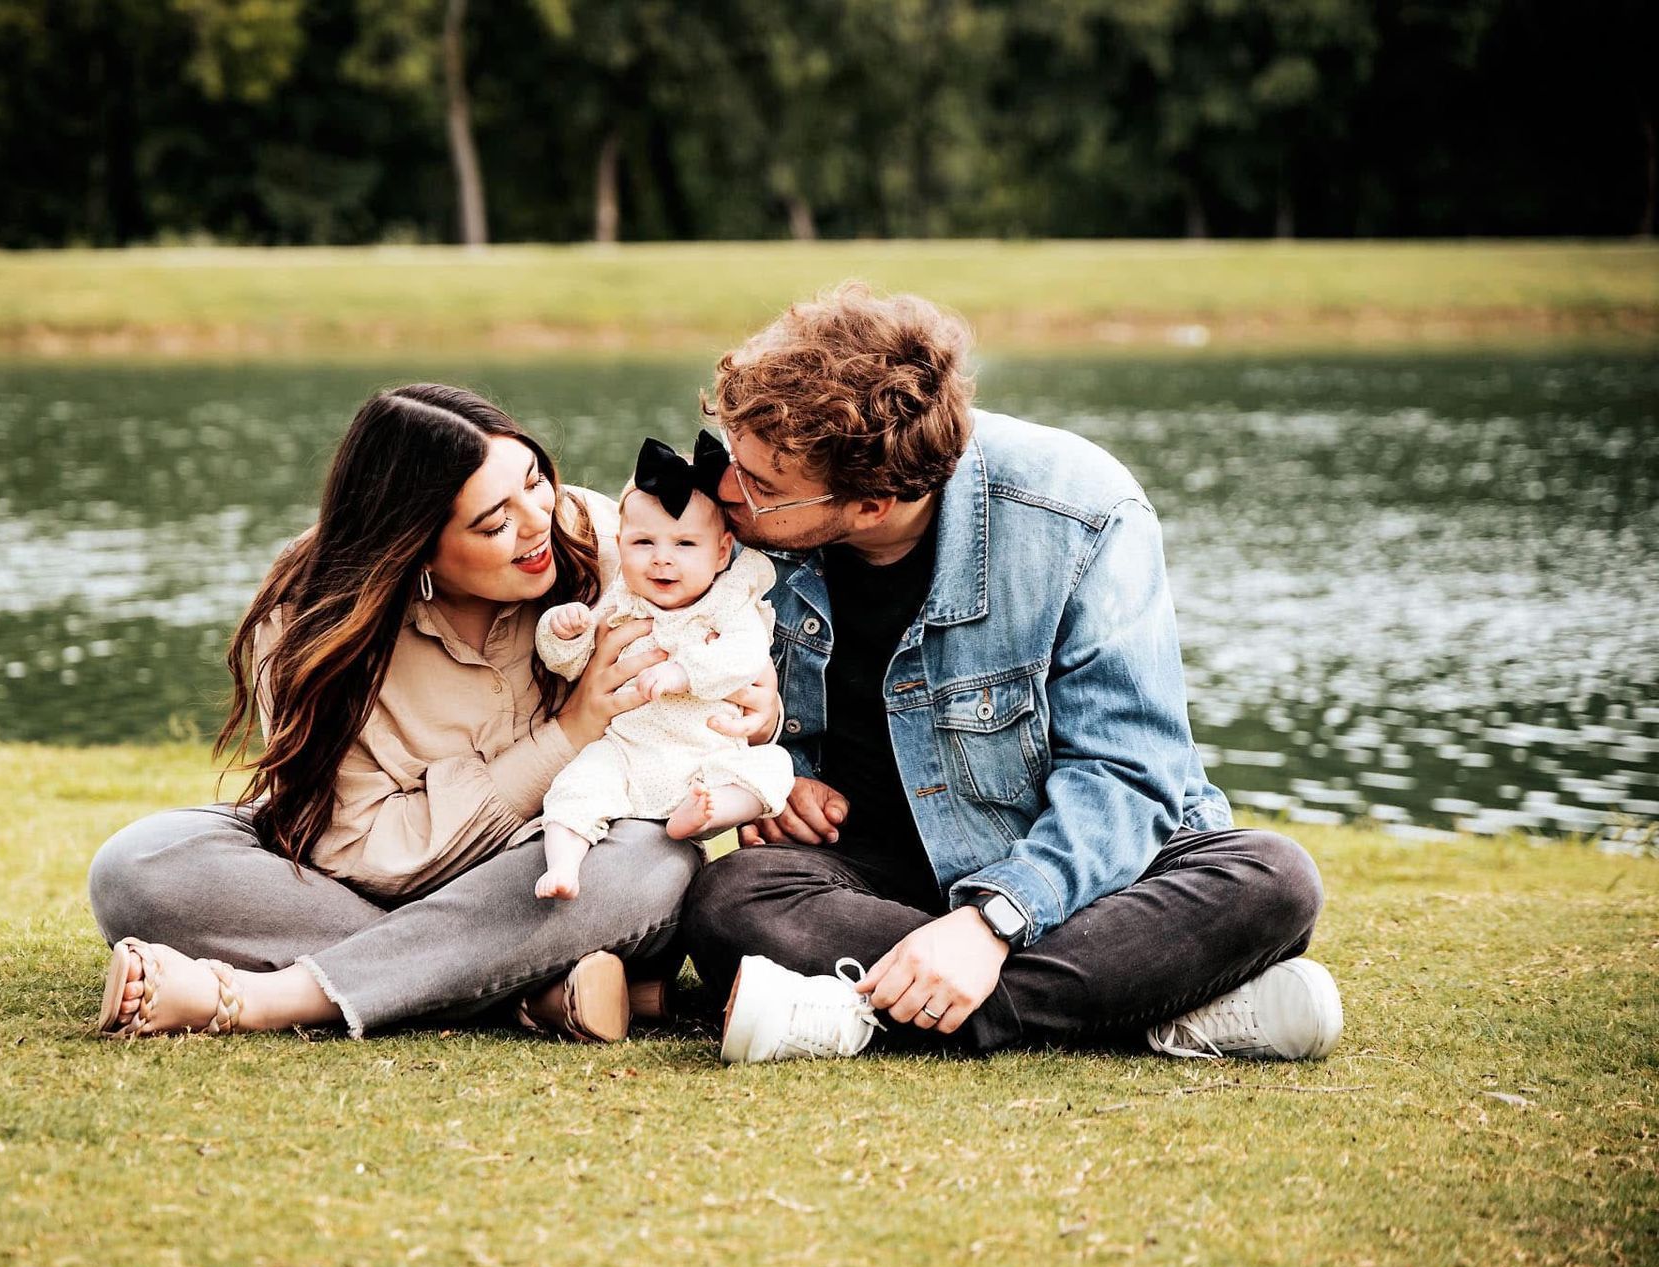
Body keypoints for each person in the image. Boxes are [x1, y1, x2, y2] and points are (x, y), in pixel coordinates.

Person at [679, 284, 1343, 1065]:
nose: (727, 490)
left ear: (873, 503)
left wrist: (993, 920)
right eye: (731, 457)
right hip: (876, 876)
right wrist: (777, 777)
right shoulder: (735, 532)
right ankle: (1153, 1009)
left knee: (1274, 880)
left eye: (762, 486)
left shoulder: (1081, 512)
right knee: (730, 902)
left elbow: (1130, 774)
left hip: (1077, 872)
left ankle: (852, 1013)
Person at [87, 384, 778, 1044]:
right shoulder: (310, 618)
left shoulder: (605, 538)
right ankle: (520, 988)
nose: (538, 520)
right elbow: (357, 849)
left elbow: (729, 632)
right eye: (494, 520)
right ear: (415, 542)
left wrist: (762, 707)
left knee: (652, 861)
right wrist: (569, 733)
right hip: (369, 880)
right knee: (140, 866)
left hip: (556, 865)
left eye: (534, 480)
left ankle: (272, 998)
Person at [533, 436, 794, 901]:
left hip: (709, 754)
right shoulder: (619, 600)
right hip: (628, 749)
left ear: (721, 552)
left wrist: (684, 673)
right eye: (643, 542)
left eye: (685, 543)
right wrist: (563, 632)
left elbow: (746, 655)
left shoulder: (731, 601)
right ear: (621, 544)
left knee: (774, 767)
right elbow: (573, 666)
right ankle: (563, 866)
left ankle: (705, 816)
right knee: (576, 785)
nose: (662, 557)